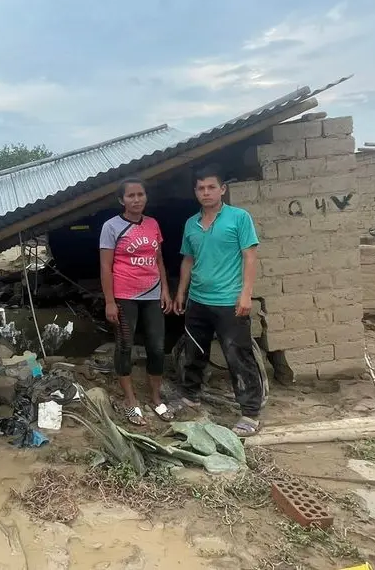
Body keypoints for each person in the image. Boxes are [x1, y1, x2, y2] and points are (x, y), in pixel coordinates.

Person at [170, 164, 264, 437]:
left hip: (229, 300)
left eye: (212, 187)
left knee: (238, 355)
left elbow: (250, 256)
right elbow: (188, 259)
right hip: (198, 300)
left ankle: (250, 412)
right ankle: (191, 397)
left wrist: (246, 293)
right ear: (195, 192)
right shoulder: (191, 223)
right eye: (201, 188)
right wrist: (181, 292)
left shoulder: (239, 218)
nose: (206, 192)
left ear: (222, 189)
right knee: (194, 352)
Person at [99, 178, 173, 426]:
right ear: (122, 200)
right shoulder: (111, 227)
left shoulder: (152, 224)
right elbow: (105, 266)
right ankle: (130, 400)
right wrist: (110, 301)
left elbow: (159, 259)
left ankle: (155, 397)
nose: (136, 199)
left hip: (152, 295)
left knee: (156, 346)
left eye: (140, 194)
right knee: (124, 346)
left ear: (146, 197)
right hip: (125, 296)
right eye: (130, 196)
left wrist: (165, 290)